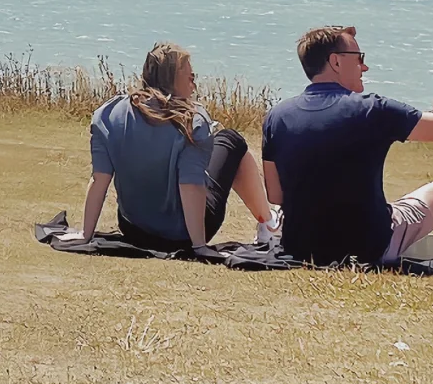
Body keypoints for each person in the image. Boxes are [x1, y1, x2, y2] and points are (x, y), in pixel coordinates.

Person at [261, 25, 433, 267]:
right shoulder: (372, 110)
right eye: (359, 58)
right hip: (366, 246)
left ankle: (404, 244)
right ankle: (403, 247)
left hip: (300, 246)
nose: (364, 67)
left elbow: (275, 195)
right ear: (336, 62)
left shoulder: (277, 116)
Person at [71, 42, 281, 251]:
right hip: (184, 234)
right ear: (174, 79)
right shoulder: (192, 121)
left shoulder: (107, 115)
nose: (194, 84)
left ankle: (268, 221)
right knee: (231, 139)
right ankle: (269, 223)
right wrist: (198, 245)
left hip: (134, 229)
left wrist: (85, 234)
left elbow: (99, 179)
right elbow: (190, 185)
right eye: (191, 77)